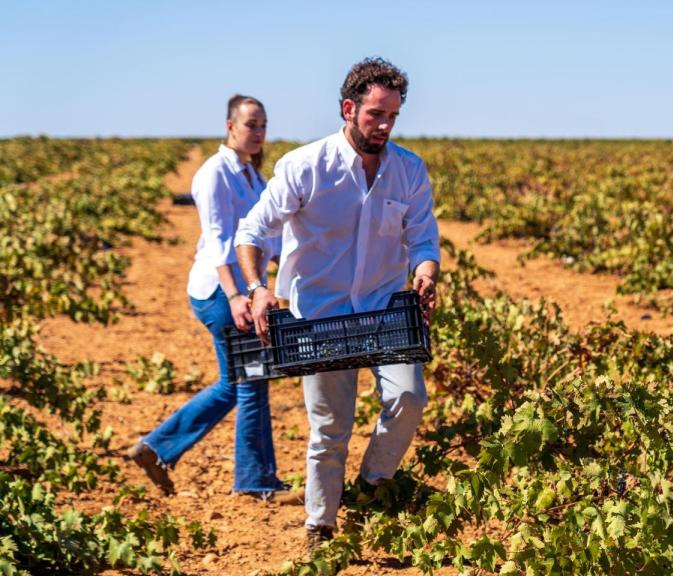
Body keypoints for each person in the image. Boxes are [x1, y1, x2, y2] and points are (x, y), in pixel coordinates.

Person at [233, 57, 440, 550]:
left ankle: (369, 486)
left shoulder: (408, 170)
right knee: (330, 429)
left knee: (410, 397)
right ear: (349, 109)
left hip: (385, 310)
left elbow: (424, 239)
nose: (385, 125)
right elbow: (251, 232)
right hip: (320, 316)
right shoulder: (306, 166)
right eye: (375, 114)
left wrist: (426, 273)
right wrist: (258, 288)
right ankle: (320, 527)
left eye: (392, 115)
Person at [128, 94, 298, 504]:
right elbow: (221, 241)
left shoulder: (253, 177)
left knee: (235, 382)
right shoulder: (214, 173)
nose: (257, 133)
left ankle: (157, 447)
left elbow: (269, 239)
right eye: (250, 125)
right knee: (251, 379)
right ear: (230, 126)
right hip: (221, 292)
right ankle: (256, 480)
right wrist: (238, 294)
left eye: (262, 125)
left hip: (240, 290)